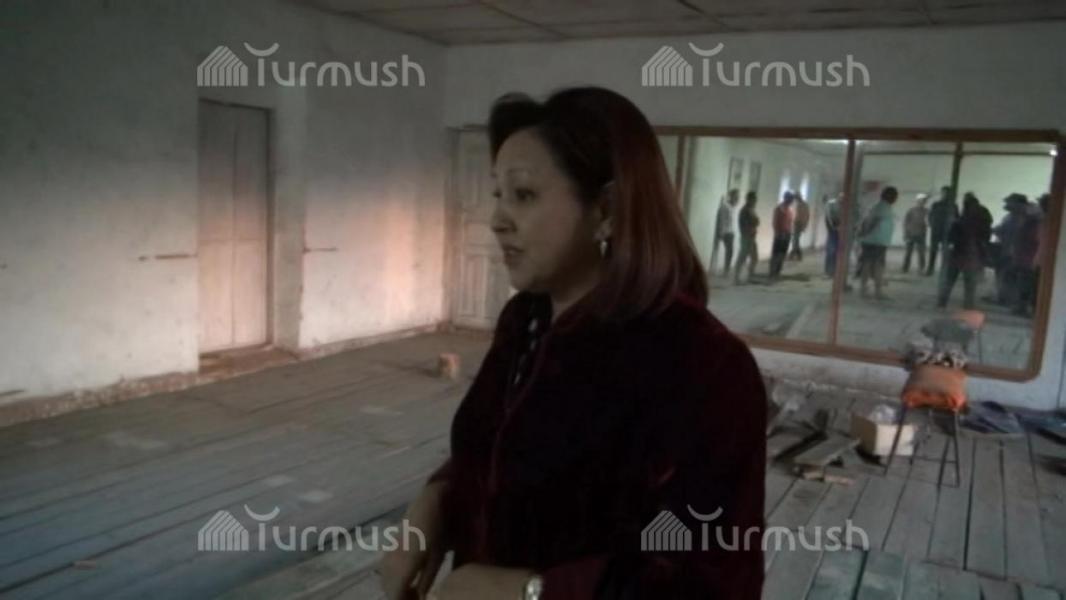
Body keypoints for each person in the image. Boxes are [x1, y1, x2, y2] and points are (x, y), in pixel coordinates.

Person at [379, 87, 767, 600]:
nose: (497, 219)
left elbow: (711, 579)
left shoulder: (703, 363)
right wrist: (437, 500)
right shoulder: (526, 321)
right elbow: (502, 452)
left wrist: (533, 592)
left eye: (524, 195)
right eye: (498, 194)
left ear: (606, 209)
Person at [937, 192, 991, 310]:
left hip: (958, 252)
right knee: (970, 282)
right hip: (972, 253)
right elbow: (986, 235)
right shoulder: (983, 216)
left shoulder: (960, 221)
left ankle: (942, 302)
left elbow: (951, 238)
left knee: (949, 279)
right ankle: (968, 304)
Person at [857, 186, 898, 299]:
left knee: (868, 264)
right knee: (877, 266)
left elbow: (869, 221)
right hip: (876, 242)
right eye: (895, 196)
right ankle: (877, 291)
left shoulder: (880, 206)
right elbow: (872, 222)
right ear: (890, 197)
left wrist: (864, 234)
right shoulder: (882, 207)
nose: (895, 199)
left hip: (874, 241)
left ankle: (865, 289)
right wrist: (865, 233)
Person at [926, 186, 959, 276]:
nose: (944, 195)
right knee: (933, 251)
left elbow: (957, 219)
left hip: (946, 232)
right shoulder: (936, 204)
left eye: (946, 193)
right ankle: (930, 268)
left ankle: (943, 270)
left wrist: (952, 230)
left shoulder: (953, 206)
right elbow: (930, 216)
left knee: (945, 253)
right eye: (943, 193)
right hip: (936, 231)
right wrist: (932, 224)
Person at [711, 188, 739, 277]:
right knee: (729, 251)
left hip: (731, 232)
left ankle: (726, 270)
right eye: (736, 196)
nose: (737, 198)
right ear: (731, 196)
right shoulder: (725, 207)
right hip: (726, 232)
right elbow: (722, 220)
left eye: (737, 196)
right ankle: (725, 270)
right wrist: (721, 233)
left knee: (730, 251)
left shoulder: (733, 207)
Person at [734, 191, 761, 284]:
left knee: (754, 257)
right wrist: (753, 223)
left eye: (755, 199)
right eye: (754, 199)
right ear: (749, 199)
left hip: (752, 236)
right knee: (742, 257)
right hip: (746, 237)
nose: (755, 201)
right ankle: (736, 277)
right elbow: (745, 224)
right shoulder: (745, 210)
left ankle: (750, 276)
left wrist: (755, 222)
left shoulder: (751, 209)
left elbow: (756, 221)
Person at [769, 192, 795, 279]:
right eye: (790, 199)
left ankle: (777, 271)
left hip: (787, 234)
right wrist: (777, 233)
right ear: (786, 198)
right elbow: (775, 222)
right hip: (780, 234)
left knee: (782, 254)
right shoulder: (779, 209)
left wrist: (790, 233)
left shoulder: (790, 210)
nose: (792, 201)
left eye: (792, 200)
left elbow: (790, 223)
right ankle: (772, 272)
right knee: (776, 254)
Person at [902, 194, 929, 273]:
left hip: (921, 235)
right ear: (917, 201)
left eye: (924, 201)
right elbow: (906, 222)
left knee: (921, 253)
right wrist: (906, 234)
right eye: (920, 201)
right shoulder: (911, 211)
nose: (922, 202)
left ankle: (921, 268)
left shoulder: (927, 211)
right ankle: (905, 268)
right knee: (908, 252)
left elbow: (929, 221)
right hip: (911, 234)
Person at [823, 194, 842, 277]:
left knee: (837, 252)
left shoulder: (842, 206)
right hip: (833, 231)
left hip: (840, 232)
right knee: (831, 251)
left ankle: (834, 271)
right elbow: (828, 218)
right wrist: (834, 227)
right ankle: (828, 271)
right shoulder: (831, 205)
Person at [789, 192, 810, 261]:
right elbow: (795, 215)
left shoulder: (804, 205)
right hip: (796, 224)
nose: (795, 199)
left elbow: (806, 216)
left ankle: (794, 254)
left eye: (796, 197)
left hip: (800, 224)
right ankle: (797, 255)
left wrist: (804, 226)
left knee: (795, 240)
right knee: (795, 240)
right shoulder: (797, 204)